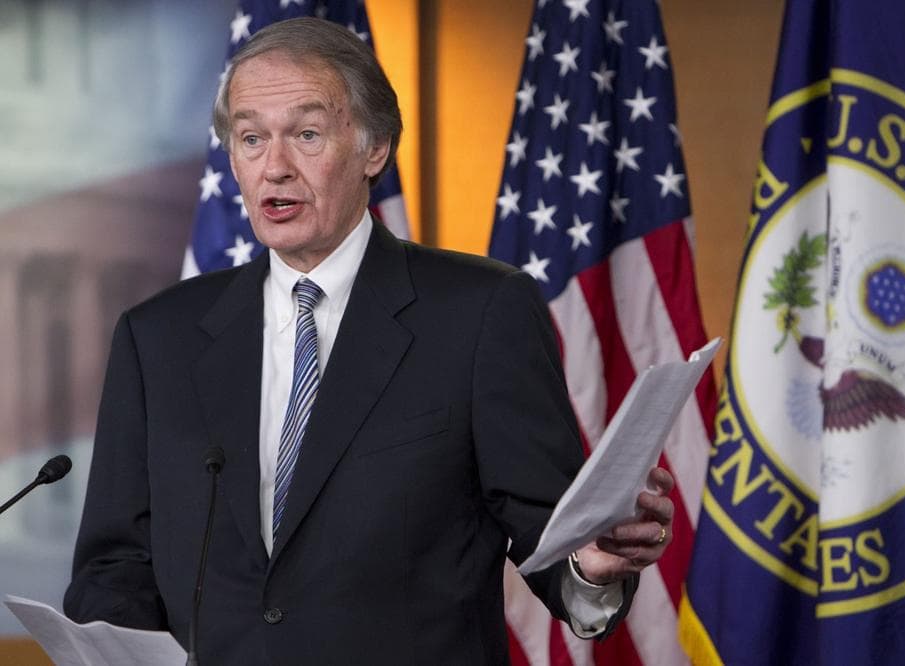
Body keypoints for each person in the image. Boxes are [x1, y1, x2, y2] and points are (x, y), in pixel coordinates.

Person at [64, 17, 675, 665]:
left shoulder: (479, 312)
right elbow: (115, 562)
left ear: (374, 147)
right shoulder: (159, 337)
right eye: (250, 138)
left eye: (306, 134)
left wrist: (593, 567)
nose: (275, 167)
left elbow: (552, 538)